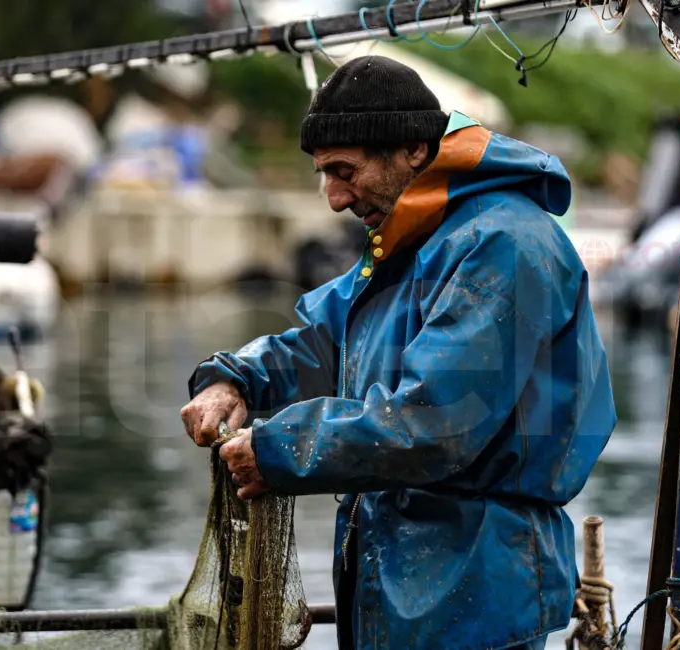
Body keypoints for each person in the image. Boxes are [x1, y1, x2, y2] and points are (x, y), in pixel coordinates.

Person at [180, 55, 616, 650]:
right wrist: (233, 379)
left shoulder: (502, 243)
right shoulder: (415, 236)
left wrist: (276, 451)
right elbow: (325, 343)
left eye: (344, 171)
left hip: (475, 589)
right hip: (400, 582)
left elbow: (432, 424)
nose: (334, 198)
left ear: (413, 149)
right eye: (324, 175)